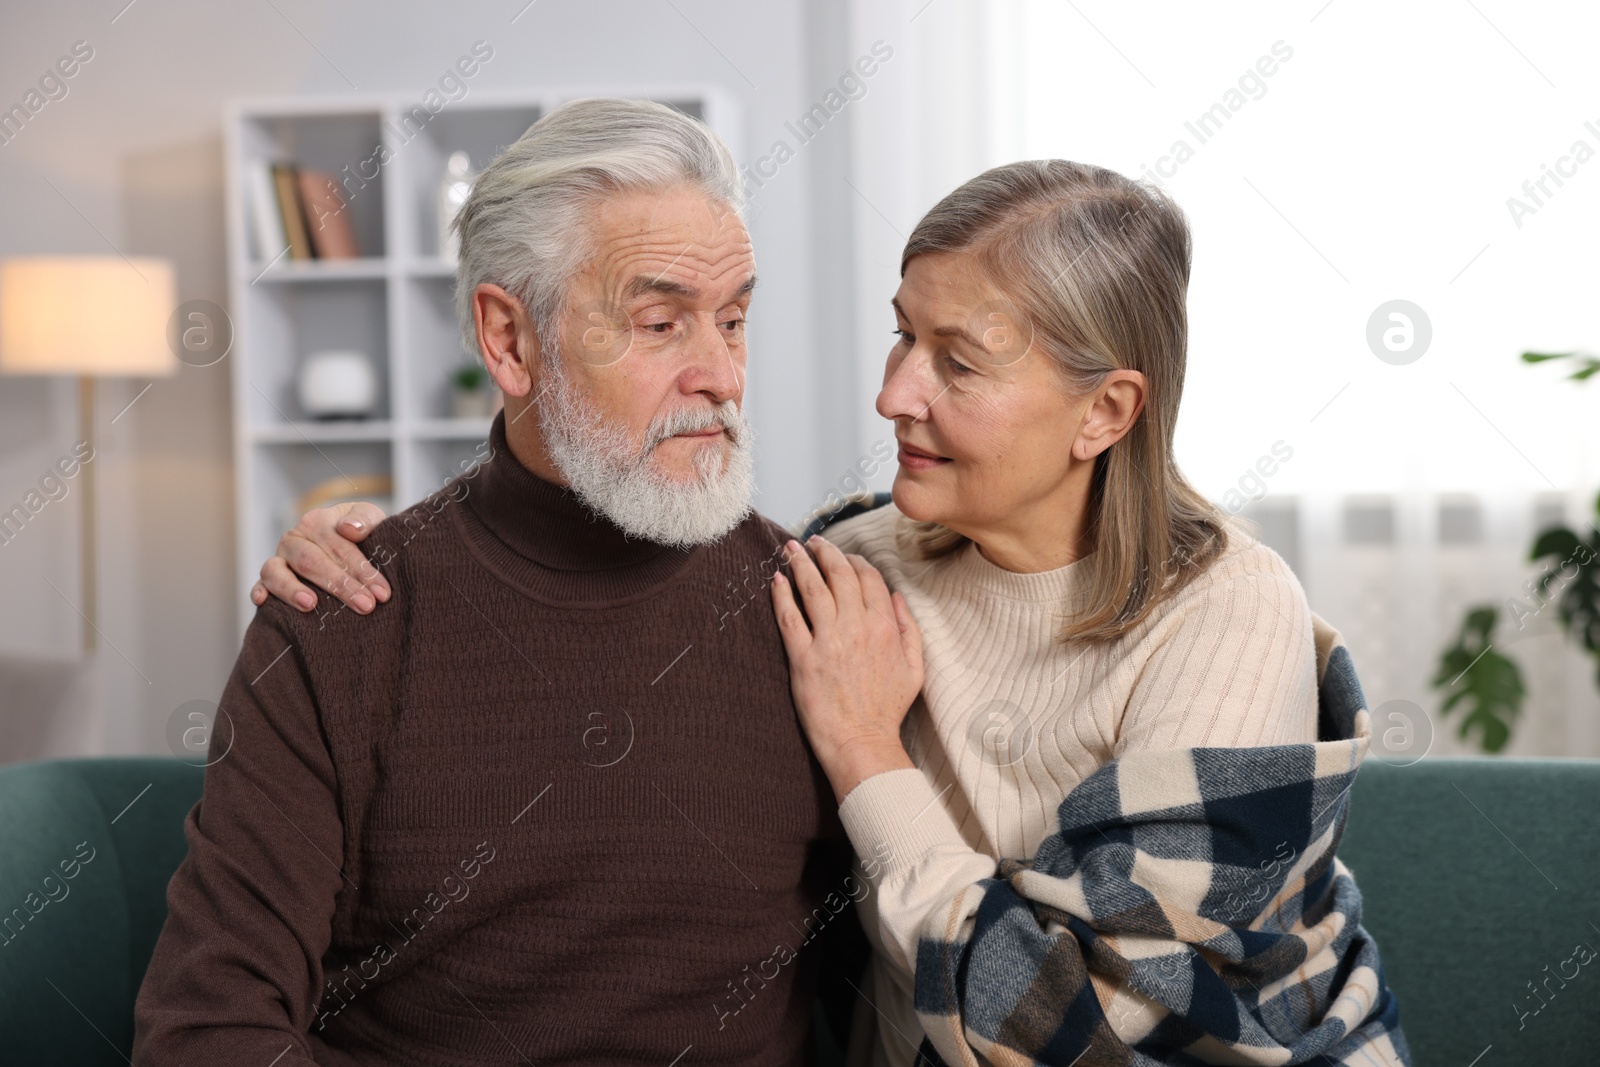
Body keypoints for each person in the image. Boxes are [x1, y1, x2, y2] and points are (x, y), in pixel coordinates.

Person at [256, 161, 1410, 1064]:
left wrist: (866, 750)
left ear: (1104, 410)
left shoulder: (1226, 613)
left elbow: (1092, 1037)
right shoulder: (852, 566)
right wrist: (391, 555)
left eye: (958, 363)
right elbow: (606, 570)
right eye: (903, 331)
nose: (892, 391)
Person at [134, 98, 862, 1067]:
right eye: (660, 322)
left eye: (732, 321)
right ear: (510, 343)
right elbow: (207, 1033)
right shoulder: (340, 618)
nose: (722, 374)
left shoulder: (819, 614)